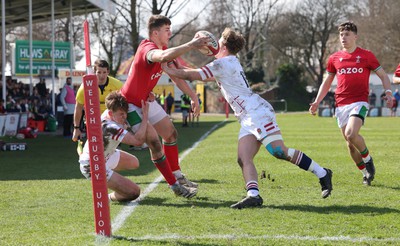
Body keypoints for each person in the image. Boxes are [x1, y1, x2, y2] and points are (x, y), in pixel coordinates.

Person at [161, 27, 333, 209]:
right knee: (243, 158)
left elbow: (191, 75)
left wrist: (166, 68)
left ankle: (323, 173)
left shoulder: (223, 64)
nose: (216, 43)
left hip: (257, 112)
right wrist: (175, 66)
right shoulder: (227, 63)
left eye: (219, 40)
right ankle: (254, 195)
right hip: (247, 117)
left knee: (279, 152)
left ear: (224, 45)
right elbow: (194, 73)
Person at [120, 15, 210, 198]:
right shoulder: (148, 49)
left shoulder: (165, 50)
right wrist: (192, 44)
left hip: (146, 101)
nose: (170, 33)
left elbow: (177, 75)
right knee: (154, 142)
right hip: (130, 105)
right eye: (166, 30)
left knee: (170, 134)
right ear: (155, 32)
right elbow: (160, 56)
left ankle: (177, 175)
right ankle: (174, 186)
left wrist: (193, 96)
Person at [309, 22, 393, 186]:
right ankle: (365, 174)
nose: (344, 38)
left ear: (355, 36)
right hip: (341, 104)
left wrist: (388, 93)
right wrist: (317, 102)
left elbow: (383, 76)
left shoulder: (367, 55)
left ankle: (368, 160)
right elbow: (327, 82)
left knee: (351, 133)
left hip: (360, 101)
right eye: (341, 35)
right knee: (350, 145)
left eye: (347, 34)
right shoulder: (334, 58)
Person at [79, 92, 149, 202]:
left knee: (134, 162)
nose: (124, 117)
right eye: (121, 114)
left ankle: (111, 179)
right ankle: (108, 196)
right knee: (134, 192)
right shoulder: (110, 127)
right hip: (92, 165)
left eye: (125, 113)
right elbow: (138, 142)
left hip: (106, 154)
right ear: (111, 114)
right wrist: (145, 117)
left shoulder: (111, 111)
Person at [72, 59, 123, 144]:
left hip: (111, 121)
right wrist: (76, 128)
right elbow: (78, 108)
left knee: (110, 149)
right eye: (99, 72)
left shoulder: (117, 85)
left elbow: (126, 102)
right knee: (95, 147)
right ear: (94, 72)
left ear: (108, 72)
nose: (102, 76)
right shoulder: (85, 87)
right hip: (93, 121)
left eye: (104, 72)